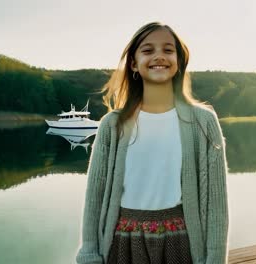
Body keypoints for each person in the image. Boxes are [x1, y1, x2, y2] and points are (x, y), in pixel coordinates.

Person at [76, 22, 229, 264]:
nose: (159, 56)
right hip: (121, 243)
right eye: (148, 50)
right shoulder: (112, 125)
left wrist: (214, 259)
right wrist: (89, 252)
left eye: (168, 50)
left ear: (178, 61)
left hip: (181, 244)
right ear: (134, 63)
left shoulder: (203, 121)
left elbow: (216, 204)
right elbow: (94, 196)